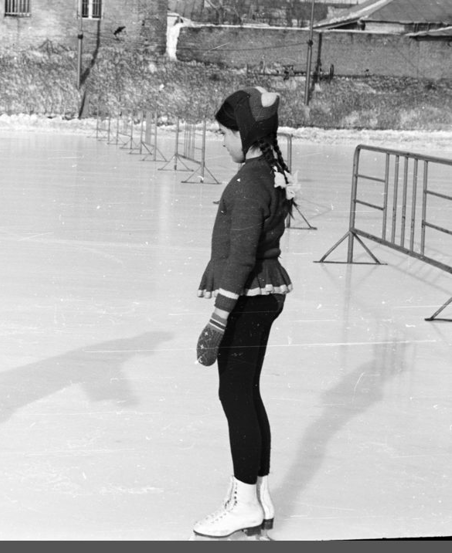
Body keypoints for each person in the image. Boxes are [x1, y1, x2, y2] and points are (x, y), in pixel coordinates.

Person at [193, 87, 296, 539]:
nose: (220, 141)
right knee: (246, 393)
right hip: (258, 296)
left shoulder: (250, 183)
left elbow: (240, 258)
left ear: (246, 135)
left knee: (234, 396)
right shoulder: (266, 171)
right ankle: (260, 494)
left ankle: (245, 503)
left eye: (224, 132)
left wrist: (218, 319)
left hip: (247, 299)